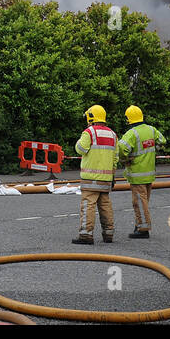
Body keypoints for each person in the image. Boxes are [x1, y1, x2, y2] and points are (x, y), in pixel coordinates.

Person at [117, 105, 165, 238]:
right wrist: (155, 149)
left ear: (129, 119)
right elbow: (162, 141)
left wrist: (125, 159)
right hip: (149, 173)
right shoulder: (151, 129)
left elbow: (121, 149)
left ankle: (143, 229)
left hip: (137, 174)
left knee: (138, 202)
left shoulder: (131, 133)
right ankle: (140, 224)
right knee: (144, 201)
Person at [72, 104, 117, 245]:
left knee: (88, 206)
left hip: (90, 179)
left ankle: (86, 235)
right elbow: (115, 159)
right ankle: (108, 234)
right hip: (106, 179)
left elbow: (80, 149)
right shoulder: (112, 134)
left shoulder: (89, 132)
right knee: (105, 206)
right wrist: (112, 176)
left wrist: (80, 139)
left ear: (91, 117)